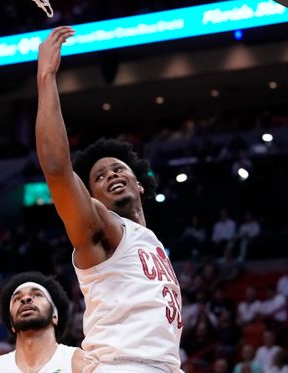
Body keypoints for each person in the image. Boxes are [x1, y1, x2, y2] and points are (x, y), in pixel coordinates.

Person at [34, 26, 183, 372]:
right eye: (99, 178)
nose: (112, 175)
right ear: (91, 198)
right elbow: (57, 170)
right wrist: (46, 77)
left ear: (139, 183)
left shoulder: (151, 242)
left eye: (117, 169)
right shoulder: (104, 228)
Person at [0, 271, 85, 373]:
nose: (25, 299)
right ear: (12, 324)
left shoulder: (81, 363)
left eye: (37, 294)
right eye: (17, 298)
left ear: (54, 315)